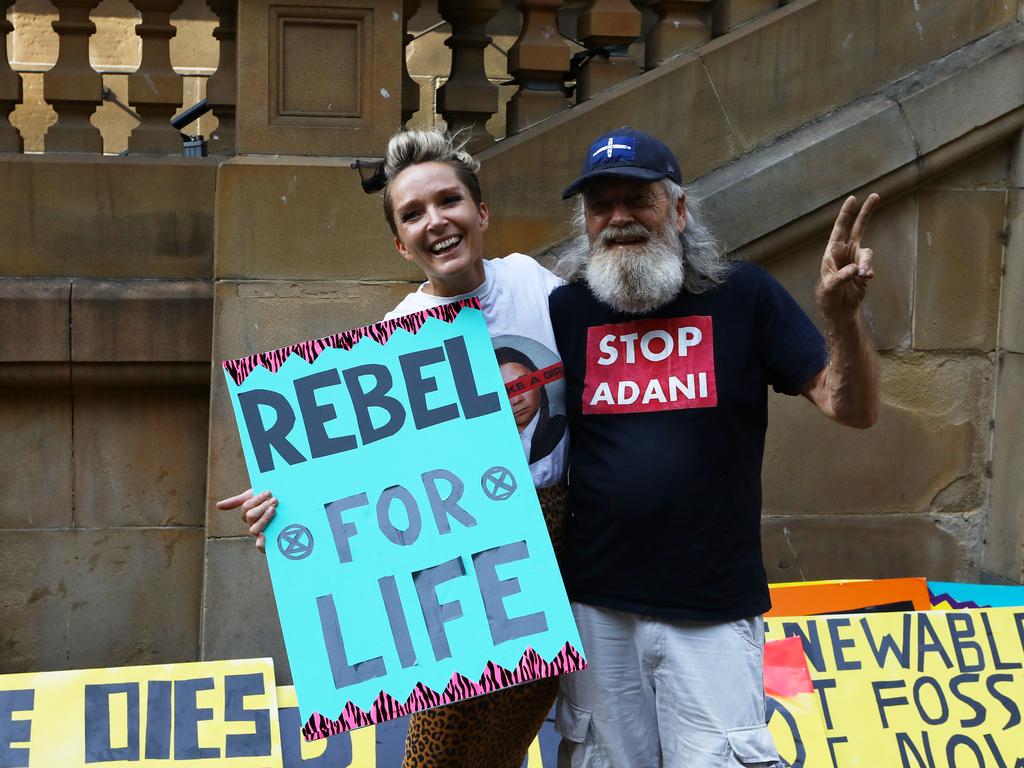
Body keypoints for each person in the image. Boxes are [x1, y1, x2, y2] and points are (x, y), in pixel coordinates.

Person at [217, 128, 570, 768]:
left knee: (522, 746)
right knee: (443, 757)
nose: (436, 221)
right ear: (400, 244)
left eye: (449, 201)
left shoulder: (535, 285)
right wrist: (287, 502)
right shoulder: (394, 337)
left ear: (481, 212)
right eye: (413, 214)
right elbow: (363, 477)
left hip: (573, 544)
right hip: (470, 568)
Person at [548, 128, 879, 767]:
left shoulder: (744, 295)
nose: (618, 218)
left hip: (711, 610)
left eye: (637, 200)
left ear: (677, 209)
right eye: (600, 205)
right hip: (595, 611)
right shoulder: (563, 310)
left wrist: (841, 317)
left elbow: (851, 407)